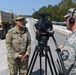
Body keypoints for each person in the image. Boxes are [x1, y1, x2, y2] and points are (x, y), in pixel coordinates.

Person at [58, 8, 76, 75]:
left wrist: (62, 53)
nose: (65, 21)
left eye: (67, 18)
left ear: (72, 20)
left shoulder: (72, 39)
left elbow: (64, 67)